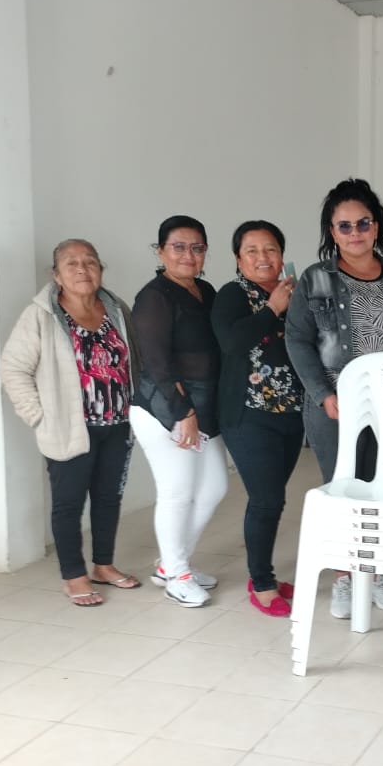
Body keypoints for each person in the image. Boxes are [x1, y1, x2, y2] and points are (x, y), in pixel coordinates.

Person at [286, 178, 383, 618]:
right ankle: (345, 577)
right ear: (332, 231)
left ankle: (373, 573)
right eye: (344, 226)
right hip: (334, 405)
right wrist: (323, 393)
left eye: (363, 223)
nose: (355, 232)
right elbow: (297, 340)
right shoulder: (315, 278)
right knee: (342, 491)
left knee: (380, 490)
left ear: (376, 226)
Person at [0, 239, 141, 606]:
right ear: (57, 274)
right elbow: (13, 368)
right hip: (69, 427)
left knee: (108, 498)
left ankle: (103, 566)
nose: (82, 269)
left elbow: (136, 361)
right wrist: (39, 416)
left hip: (118, 425)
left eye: (90, 261)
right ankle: (74, 575)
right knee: (69, 503)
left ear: (100, 269)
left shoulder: (116, 310)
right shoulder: (41, 315)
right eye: (72, 263)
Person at [129, 215, 228, 608]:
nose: (189, 255)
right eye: (178, 247)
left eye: (197, 247)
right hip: (164, 407)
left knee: (215, 487)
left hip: (201, 407)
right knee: (178, 492)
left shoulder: (206, 291)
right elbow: (155, 361)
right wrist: (182, 412)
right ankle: (177, 575)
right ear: (160, 252)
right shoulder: (154, 297)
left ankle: (172, 563)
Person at [212, 220, 304, 617]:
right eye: (252, 250)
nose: (263, 257)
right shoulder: (232, 295)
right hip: (249, 415)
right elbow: (233, 342)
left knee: (274, 498)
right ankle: (262, 583)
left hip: (292, 412)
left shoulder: (294, 292)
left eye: (271, 249)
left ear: (282, 255)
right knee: (266, 499)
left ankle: (263, 574)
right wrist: (272, 309)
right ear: (238, 259)